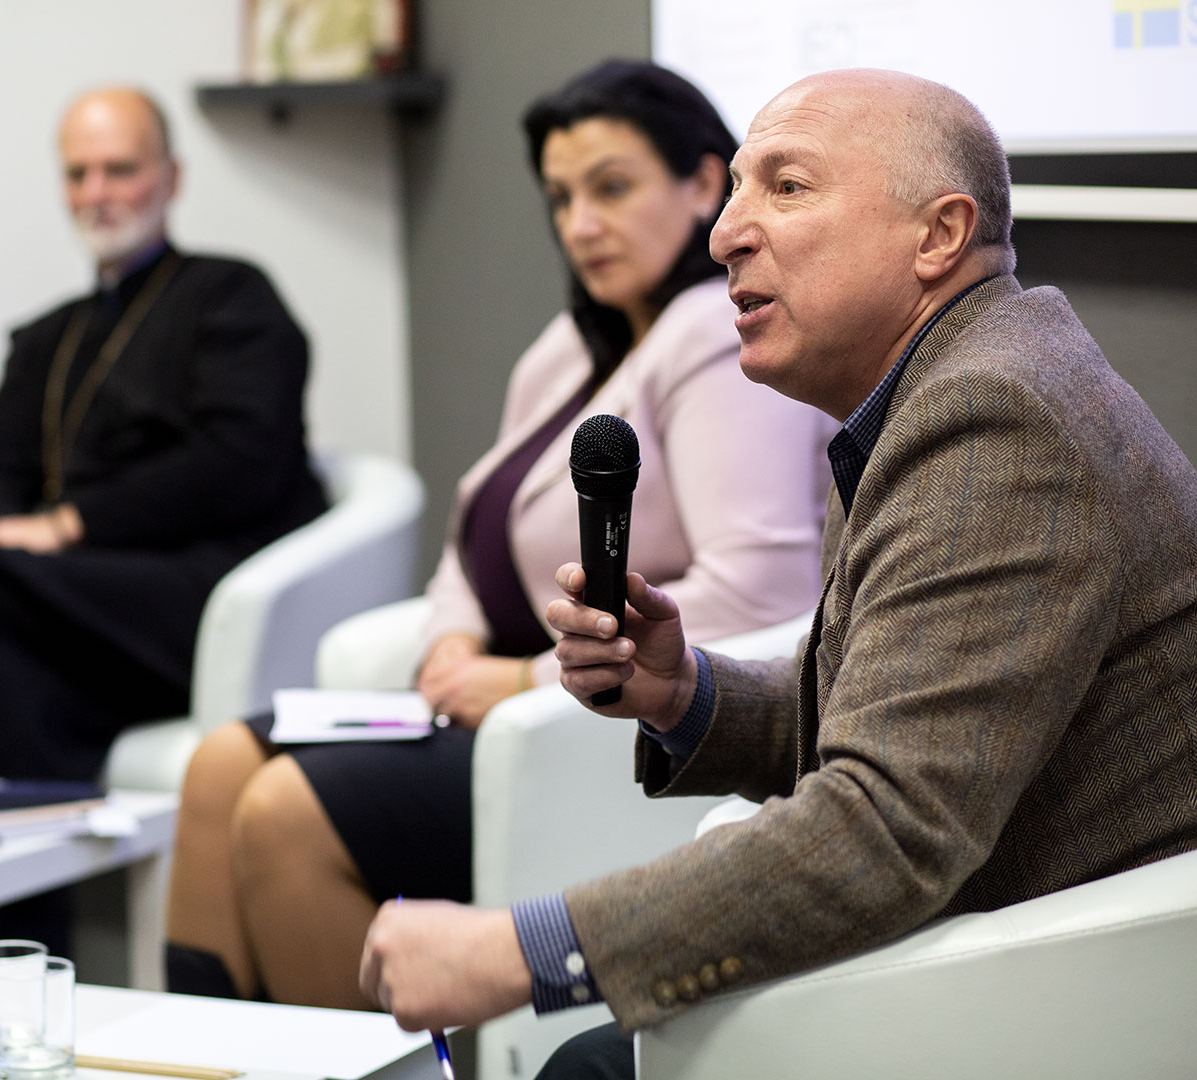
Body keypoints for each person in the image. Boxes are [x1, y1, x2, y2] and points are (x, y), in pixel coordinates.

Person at [356, 68, 1197, 1079]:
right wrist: (685, 692)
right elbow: (884, 718)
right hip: (985, 948)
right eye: (736, 190)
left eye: (787, 188)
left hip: (1050, 999)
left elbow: (884, 828)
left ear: (938, 235)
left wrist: (520, 952)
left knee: (586, 1063)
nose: (724, 235)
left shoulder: (993, 423)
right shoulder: (932, 390)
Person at [164, 61, 837, 1009]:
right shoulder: (575, 344)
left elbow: (761, 593)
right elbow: (469, 535)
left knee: (283, 810)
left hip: (586, 728)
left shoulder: (715, 338)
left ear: (702, 183)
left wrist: (520, 679)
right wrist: (451, 638)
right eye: (561, 198)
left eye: (611, 188)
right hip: (488, 702)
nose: (580, 223)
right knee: (217, 768)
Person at [0, 87, 327, 786]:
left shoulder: (232, 297)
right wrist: (1, 537)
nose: (97, 193)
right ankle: (6, 827)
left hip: (197, 596)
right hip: (71, 603)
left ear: (172, 177)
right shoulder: (47, 338)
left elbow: (240, 462)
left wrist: (67, 526)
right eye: (78, 174)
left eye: (120, 170)